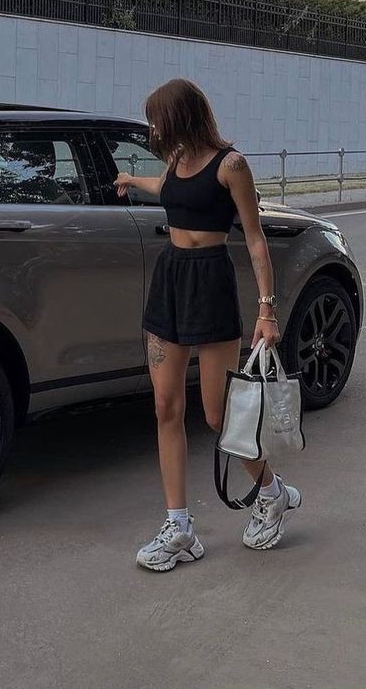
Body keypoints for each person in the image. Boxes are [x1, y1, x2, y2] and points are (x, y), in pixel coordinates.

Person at [115, 79, 301, 572]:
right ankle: (179, 527)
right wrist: (134, 182)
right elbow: (168, 189)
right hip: (170, 281)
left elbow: (256, 239)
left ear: (182, 114)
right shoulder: (176, 158)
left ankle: (273, 491)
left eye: (158, 118)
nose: (154, 127)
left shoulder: (232, 165)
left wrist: (266, 311)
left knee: (220, 417)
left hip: (211, 282)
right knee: (164, 407)